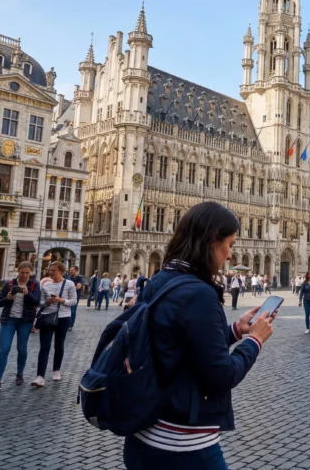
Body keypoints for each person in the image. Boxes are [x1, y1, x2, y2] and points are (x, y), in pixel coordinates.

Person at [120, 201, 274, 469]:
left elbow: (180, 344)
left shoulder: (161, 279)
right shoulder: (200, 294)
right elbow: (220, 376)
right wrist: (255, 340)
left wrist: (236, 331)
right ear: (213, 241)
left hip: (142, 436)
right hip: (182, 446)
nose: (229, 255)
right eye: (229, 244)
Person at [0, 261, 40, 390]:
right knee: (4, 349)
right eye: (22, 272)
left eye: (27, 273)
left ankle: (20, 373)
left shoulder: (34, 284)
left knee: (22, 349)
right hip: (8, 320)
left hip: (25, 321)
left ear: (30, 273)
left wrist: (28, 294)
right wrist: (8, 298)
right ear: (18, 271)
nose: (24, 275)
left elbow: (37, 302)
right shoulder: (9, 283)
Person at [31, 261, 77, 387]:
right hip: (47, 317)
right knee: (44, 347)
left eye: (53, 270)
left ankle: (56, 370)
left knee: (59, 345)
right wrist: (47, 302)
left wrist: (60, 300)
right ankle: (40, 376)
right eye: (50, 270)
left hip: (63, 318)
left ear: (61, 271)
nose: (50, 272)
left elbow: (73, 301)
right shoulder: (45, 285)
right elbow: (40, 303)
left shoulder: (69, 284)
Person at [67, 266, 84, 331]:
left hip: (75, 296)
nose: (70, 271)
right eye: (70, 270)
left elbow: (78, 287)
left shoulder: (79, 277)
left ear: (76, 270)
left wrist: (71, 287)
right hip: (68, 296)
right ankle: (66, 324)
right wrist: (73, 285)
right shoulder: (69, 277)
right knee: (67, 310)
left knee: (73, 311)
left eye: (72, 270)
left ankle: (70, 325)